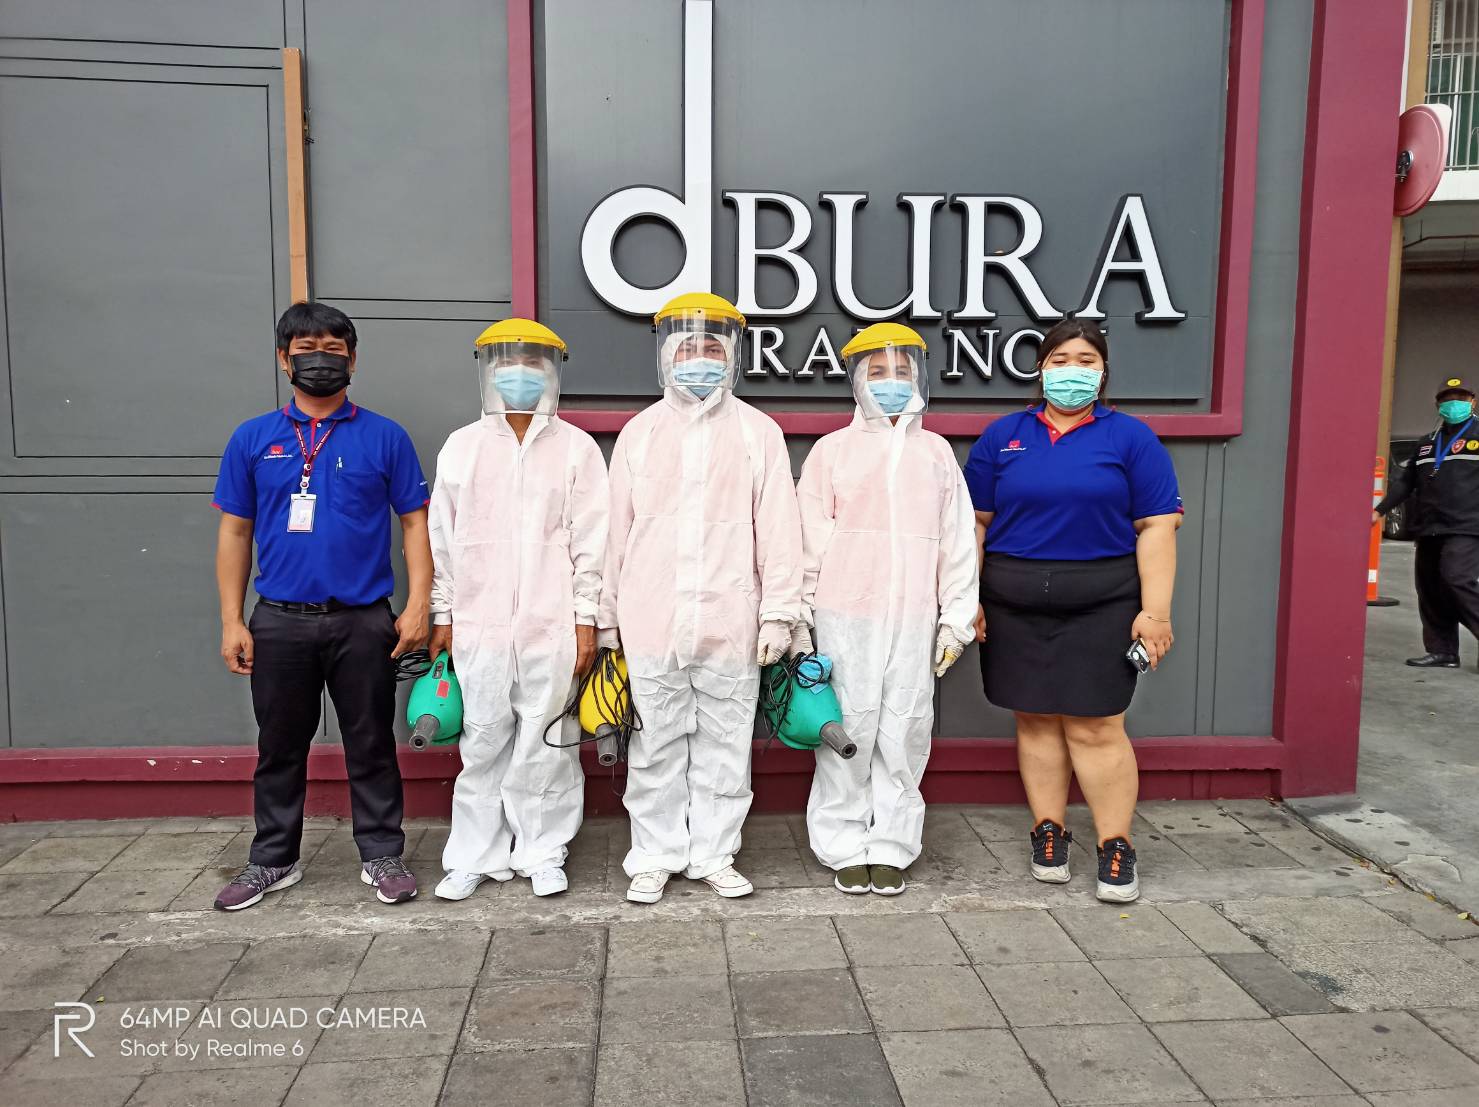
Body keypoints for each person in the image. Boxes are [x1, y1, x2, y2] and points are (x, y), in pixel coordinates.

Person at [213, 302, 431, 910]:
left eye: (334, 350)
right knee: (279, 746)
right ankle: (272, 859)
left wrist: (418, 604)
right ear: (284, 360)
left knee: (371, 742)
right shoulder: (252, 439)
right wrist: (232, 619)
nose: (320, 361)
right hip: (279, 620)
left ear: (353, 361)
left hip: (364, 620)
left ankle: (381, 852)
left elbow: (415, 523)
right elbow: (234, 531)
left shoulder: (385, 436)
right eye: (306, 350)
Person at [963, 318, 1182, 904]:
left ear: (1103, 372)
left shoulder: (1131, 438)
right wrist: (967, 599)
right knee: (1034, 718)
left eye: (1086, 361)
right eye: (1060, 360)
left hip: (1102, 602)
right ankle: (1048, 832)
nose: (1072, 371)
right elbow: (974, 526)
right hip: (1011, 603)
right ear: (1040, 368)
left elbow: (1157, 527)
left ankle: (1115, 844)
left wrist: (1155, 612)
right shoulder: (1003, 437)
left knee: (1097, 724)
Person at [599, 292, 804, 903]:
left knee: (727, 742)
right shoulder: (640, 432)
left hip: (731, 617)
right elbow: (615, 534)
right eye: (688, 348)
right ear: (666, 355)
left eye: (712, 348)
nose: (700, 359)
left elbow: (779, 530)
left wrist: (780, 614)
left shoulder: (758, 433)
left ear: (733, 355)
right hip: (652, 616)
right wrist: (607, 621)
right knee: (655, 742)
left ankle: (715, 852)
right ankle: (655, 855)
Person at [425, 319, 608, 900]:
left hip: (551, 622)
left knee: (546, 739)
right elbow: (442, 537)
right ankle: (474, 854)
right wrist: (442, 613)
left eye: (534, 363)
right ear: (487, 370)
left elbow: (592, 542)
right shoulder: (463, 446)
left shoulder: (576, 448)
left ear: (553, 372)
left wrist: (585, 619)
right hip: (478, 620)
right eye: (508, 363)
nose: (521, 374)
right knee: (481, 738)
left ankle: (542, 850)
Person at [796, 323, 977, 896]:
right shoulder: (832, 452)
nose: (892, 382)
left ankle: (893, 844)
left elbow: (957, 541)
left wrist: (956, 620)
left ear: (918, 377)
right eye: (877, 372)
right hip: (844, 615)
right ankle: (844, 843)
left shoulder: (936, 453)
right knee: (846, 727)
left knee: (905, 729)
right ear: (856, 380)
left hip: (914, 616)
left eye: (902, 371)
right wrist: (800, 617)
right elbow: (809, 539)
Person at [1375, 376, 1479, 669]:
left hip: (1467, 525)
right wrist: (1379, 511)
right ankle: (1443, 651)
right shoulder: (1426, 444)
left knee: (1457, 577)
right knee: (1430, 588)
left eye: (1460, 398)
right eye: (1447, 399)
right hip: (1430, 525)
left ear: (1473, 401)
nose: (1453, 403)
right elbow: (1405, 483)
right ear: (1437, 404)